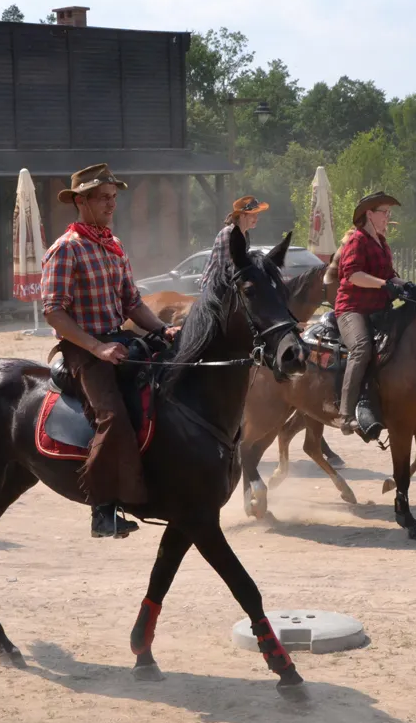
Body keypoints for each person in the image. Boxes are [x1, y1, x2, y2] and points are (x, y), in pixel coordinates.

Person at [40, 163, 179, 539]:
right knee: (113, 417)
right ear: (81, 201)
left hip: (118, 339)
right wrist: (97, 347)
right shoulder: (65, 249)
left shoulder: (113, 247)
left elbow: (133, 303)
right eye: (103, 197)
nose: (111, 204)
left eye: (114, 197)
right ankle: (103, 509)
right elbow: (53, 311)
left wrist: (164, 330)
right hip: (82, 350)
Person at [334, 191, 413, 436]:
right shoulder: (357, 240)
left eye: (389, 213)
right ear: (369, 214)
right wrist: (384, 285)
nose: (388, 217)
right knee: (361, 348)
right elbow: (353, 275)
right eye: (385, 212)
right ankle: (346, 415)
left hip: (379, 309)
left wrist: (407, 284)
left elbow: (390, 276)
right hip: (351, 309)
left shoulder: (381, 242)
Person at [198, 195, 269, 289]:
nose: (256, 219)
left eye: (257, 215)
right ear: (242, 216)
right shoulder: (228, 233)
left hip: (231, 283)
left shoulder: (245, 236)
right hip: (213, 286)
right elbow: (227, 268)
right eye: (253, 215)